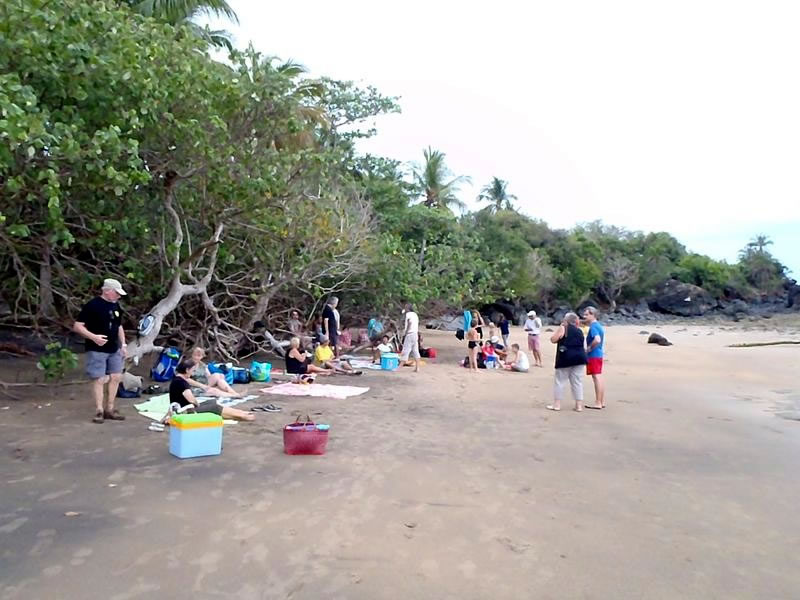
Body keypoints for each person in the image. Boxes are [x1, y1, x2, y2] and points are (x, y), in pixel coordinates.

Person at [72, 278, 128, 424]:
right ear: (107, 291)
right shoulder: (93, 305)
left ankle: (110, 408)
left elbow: (119, 326)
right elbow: (78, 326)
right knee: (99, 378)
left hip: (113, 347)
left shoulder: (116, 306)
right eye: (116, 293)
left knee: (116, 377)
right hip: (96, 348)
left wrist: (123, 344)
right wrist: (93, 337)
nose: (118, 296)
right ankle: (99, 410)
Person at [168, 360, 254, 421]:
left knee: (212, 402)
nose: (193, 373)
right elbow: (190, 399)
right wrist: (196, 404)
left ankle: (241, 412)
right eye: (192, 370)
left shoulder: (177, 379)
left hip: (183, 408)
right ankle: (241, 415)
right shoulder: (181, 382)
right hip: (186, 411)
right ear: (187, 370)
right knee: (214, 407)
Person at [547, 312, 587, 412]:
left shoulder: (564, 328)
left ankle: (557, 405)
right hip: (579, 357)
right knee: (577, 382)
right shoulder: (579, 331)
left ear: (566, 320)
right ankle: (578, 405)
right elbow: (584, 346)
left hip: (566, 357)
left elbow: (553, 339)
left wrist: (560, 329)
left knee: (560, 381)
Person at [582, 306, 606, 409]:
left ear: (593, 315)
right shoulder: (598, 326)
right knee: (598, 377)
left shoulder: (594, 327)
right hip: (598, 354)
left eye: (587, 314)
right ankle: (601, 401)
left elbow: (597, 339)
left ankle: (598, 402)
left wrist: (589, 348)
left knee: (596, 377)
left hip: (594, 355)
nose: (584, 316)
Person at [398, 303, 420, 372]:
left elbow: (409, 323)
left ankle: (399, 367)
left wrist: (406, 332)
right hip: (415, 334)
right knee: (415, 350)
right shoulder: (415, 314)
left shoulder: (408, 315)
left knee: (405, 350)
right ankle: (417, 367)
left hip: (410, 334)